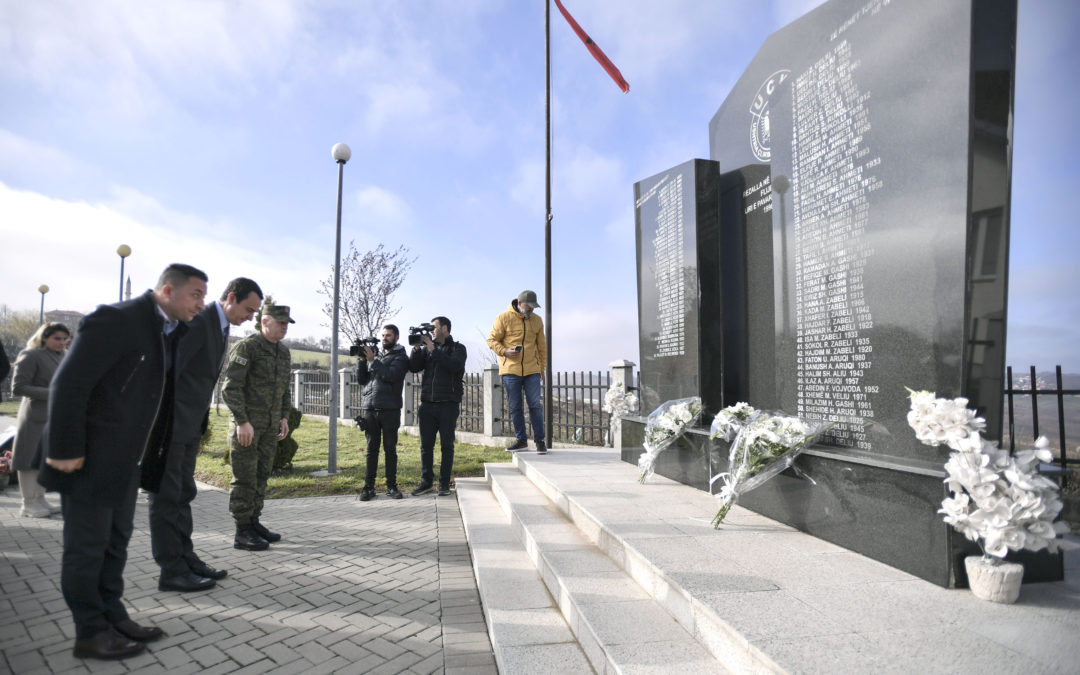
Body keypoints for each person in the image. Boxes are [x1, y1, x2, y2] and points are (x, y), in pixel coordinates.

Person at [39, 263, 207, 660]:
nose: (201, 304)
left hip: (126, 461)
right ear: (168, 290)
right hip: (88, 458)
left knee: (116, 544)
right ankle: (90, 631)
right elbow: (70, 382)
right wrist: (64, 449)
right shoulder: (116, 320)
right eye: (196, 295)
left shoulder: (169, 332)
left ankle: (113, 614)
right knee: (87, 548)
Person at [147, 277, 263, 592]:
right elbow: (168, 373)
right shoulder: (198, 322)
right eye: (249, 309)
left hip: (189, 427)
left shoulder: (220, 326)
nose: (251, 318)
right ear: (231, 298)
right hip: (171, 426)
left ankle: (186, 558)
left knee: (183, 494)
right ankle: (171, 570)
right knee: (167, 498)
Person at [221, 303, 293, 551]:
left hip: (270, 428)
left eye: (286, 323)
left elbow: (285, 390)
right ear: (265, 321)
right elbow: (230, 388)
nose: (284, 327)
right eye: (280, 322)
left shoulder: (283, 353)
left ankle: (253, 522)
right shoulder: (247, 348)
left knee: (262, 475)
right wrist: (241, 421)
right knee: (245, 478)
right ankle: (242, 531)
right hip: (247, 428)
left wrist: (284, 418)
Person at [11, 322, 70, 518]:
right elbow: (18, 387)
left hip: (54, 417)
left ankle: (39, 498)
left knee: (44, 460)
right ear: (44, 337)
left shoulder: (64, 355)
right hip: (34, 417)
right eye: (57, 338)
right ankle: (27, 503)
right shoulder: (30, 355)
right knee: (28, 460)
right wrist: (54, 393)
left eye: (64, 338)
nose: (62, 342)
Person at [409, 316, 466, 496]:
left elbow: (453, 366)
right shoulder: (427, 351)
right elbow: (414, 367)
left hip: (448, 404)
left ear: (445, 328)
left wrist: (433, 349)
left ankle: (443, 484)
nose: (432, 331)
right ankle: (426, 482)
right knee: (426, 446)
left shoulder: (458, 348)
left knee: (446, 445)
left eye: (434, 327)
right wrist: (418, 349)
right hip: (427, 404)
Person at [488, 290, 548, 454]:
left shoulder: (537, 320)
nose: (532, 310)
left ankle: (540, 441)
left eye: (534, 307)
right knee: (515, 407)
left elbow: (542, 347)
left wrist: (541, 368)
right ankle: (521, 441)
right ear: (520, 304)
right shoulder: (503, 318)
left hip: (532, 370)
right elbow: (492, 340)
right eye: (529, 307)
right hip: (510, 370)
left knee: (535, 405)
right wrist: (505, 351)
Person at [355, 324, 410, 501]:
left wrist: (372, 361)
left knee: (390, 449)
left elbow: (390, 375)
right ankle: (368, 487)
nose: (385, 338)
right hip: (369, 408)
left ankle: (391, 487)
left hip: (390, 409)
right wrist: (362, 361)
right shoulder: (376, 356)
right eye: (383, 335)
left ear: (396, 338)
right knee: (371, 450)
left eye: (389, 335)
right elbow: (361, 380)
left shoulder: (401, 357)